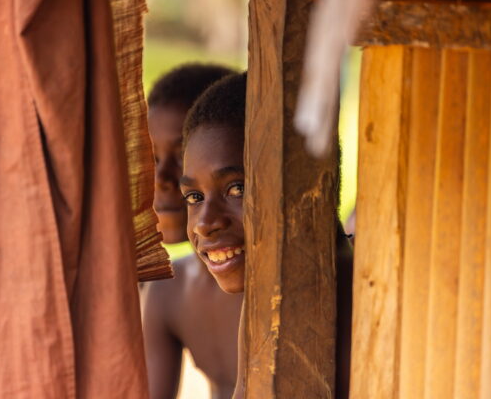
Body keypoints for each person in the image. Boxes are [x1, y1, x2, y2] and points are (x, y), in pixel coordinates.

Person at [180, 72, 353, 398]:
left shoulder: (352, 290)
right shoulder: (270, 287)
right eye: (195, 197)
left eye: (237, 189)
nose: (204, 223)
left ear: (304, 182)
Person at [143, 64, 243, 399]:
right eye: (151, 157)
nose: (161, 178)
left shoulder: (273, 289)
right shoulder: (167, 292)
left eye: (179, 155)